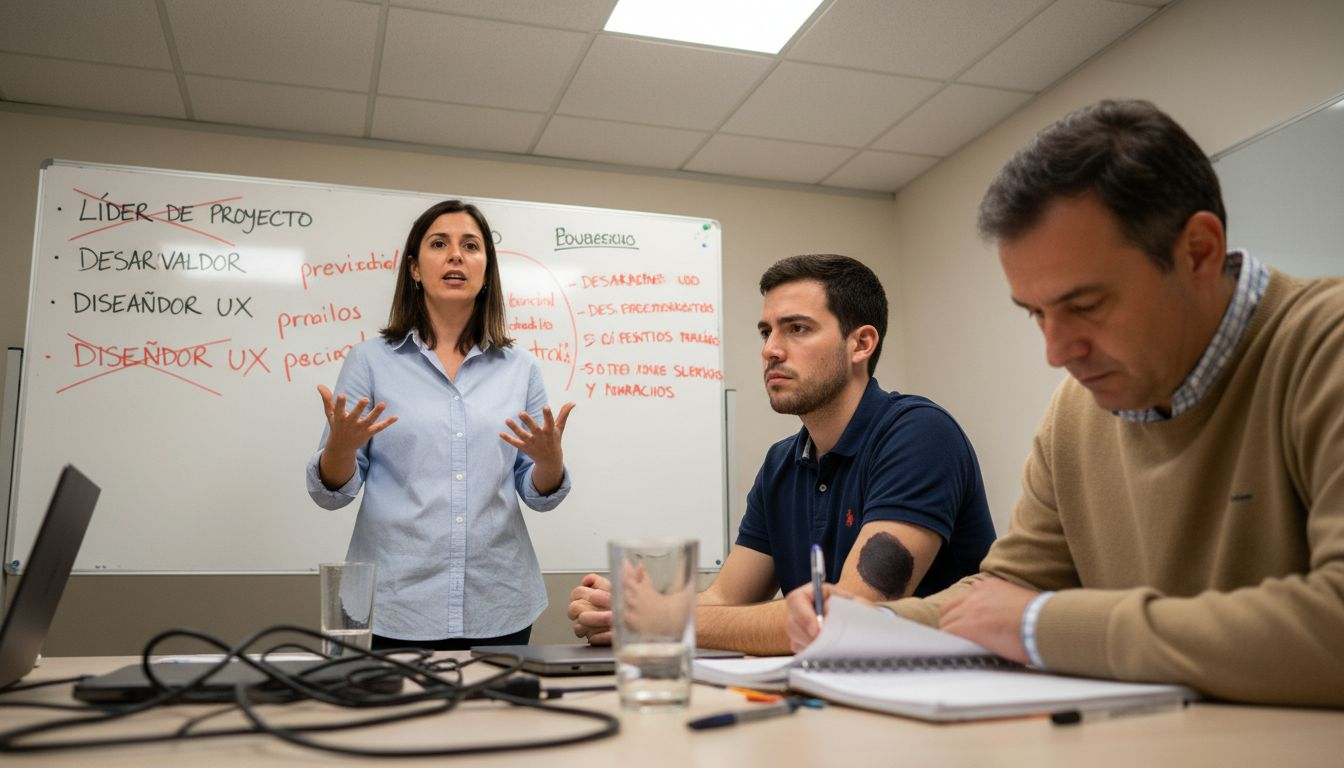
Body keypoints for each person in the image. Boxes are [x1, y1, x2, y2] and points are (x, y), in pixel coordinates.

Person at [785, 100, 1344, 708]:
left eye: (1085, 305)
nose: (1057, 352)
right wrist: (870, 626)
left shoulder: (1324, 347)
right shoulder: (1077, 412)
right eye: (1037, 313)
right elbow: (1007, 589)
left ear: (1199, 252)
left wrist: (1040, 625)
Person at [570, 254, 996, 655]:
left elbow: (849, 620)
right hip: (830, 691)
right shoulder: (781, 463)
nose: (770, 349)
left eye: (797, 329)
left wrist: (664, 619)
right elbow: (726, 598)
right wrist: (626, 608)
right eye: (766, 332)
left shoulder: (920, 434)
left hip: (939, 693)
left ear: (861, 344)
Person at [306, 199, 574, 651]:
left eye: (470, 246)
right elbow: (331, 493)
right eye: (438, 244)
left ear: (486, 271)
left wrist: (549, 463)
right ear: (414, 268)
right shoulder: (369, 362)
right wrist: (341, 448)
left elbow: (537, 493)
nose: (455, 256)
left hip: (498, 601)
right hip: (395, 604)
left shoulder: (521, 368)